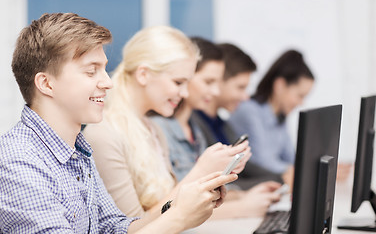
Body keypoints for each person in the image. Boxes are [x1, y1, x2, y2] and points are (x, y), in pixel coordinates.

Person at [0, 13, 238, 233]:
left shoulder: (78, 151)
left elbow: (115, 227)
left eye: (103, 70)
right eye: (91, 71)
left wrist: (181, 205)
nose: (107, 82)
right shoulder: (17, 161)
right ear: (46, 84)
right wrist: (179, 218)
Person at [83, 26, 250, 220]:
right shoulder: (104, 135)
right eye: (178, 83)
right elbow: (131, 227)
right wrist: (201, 171)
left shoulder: (154, 131)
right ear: (143, 74)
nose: (185, 93)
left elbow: (168, 207)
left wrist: (214, 175)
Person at [151, 37, 281, 219]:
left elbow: (207, 192)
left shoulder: (195, 130)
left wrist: (240, 196)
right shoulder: (159, 131)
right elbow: (170, 207)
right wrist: (241, 206)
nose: (215, 92)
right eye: (208, 82)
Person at [229, 49, 314, 175]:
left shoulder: (279, 117)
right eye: (300, 95)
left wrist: (315, 168)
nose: (301, 103)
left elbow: (291, 158)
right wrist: (302, 171)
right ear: (279, 85)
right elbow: (262, 161)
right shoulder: (248, 110)